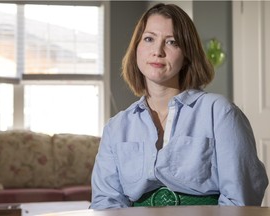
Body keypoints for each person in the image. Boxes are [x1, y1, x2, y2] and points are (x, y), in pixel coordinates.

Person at [90, 3, 268, 209]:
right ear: (136, 48)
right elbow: (106, 204)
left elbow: (240, 199)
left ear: (186, 55)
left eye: (172, 42)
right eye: (149, 39)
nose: (157, 51)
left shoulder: (219, 112)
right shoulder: (116, 127)